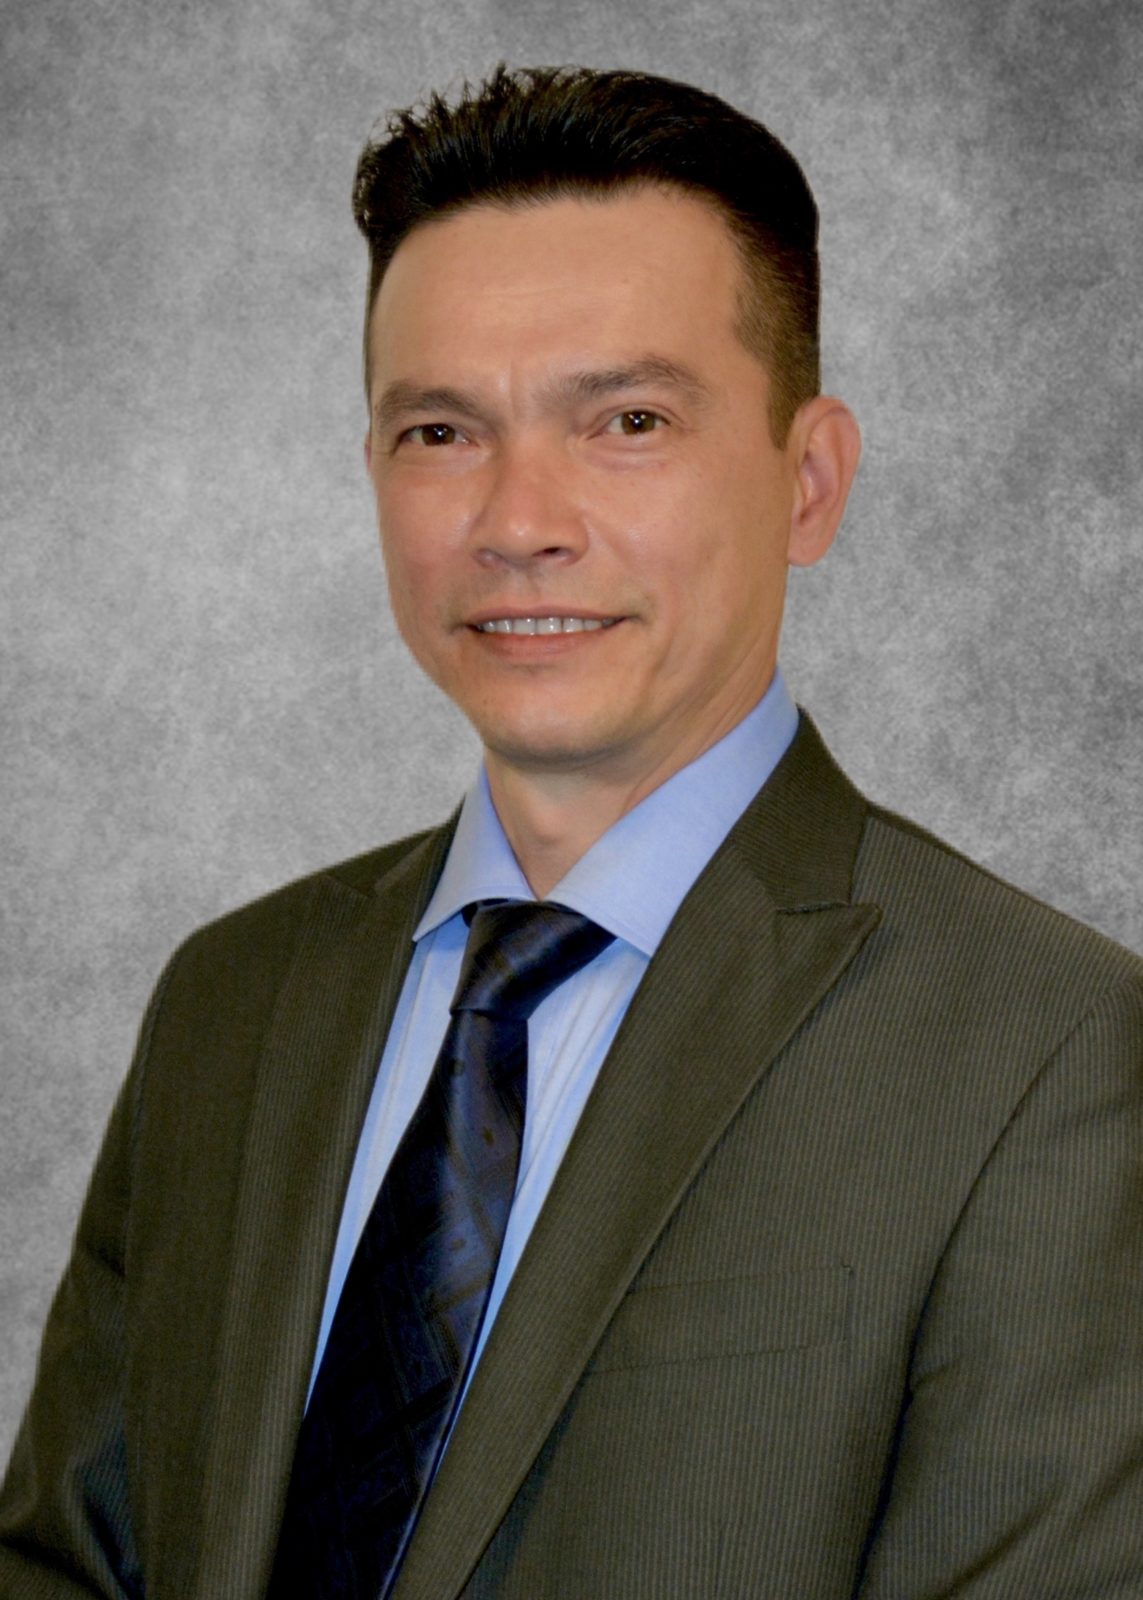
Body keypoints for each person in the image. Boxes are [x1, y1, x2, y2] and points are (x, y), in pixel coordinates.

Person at [2, 63, 1141, 1600]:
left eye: (627, 420)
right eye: (440, 432)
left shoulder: (1048, 1051)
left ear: (808, 483)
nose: (519, 520)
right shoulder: (231, 1001)